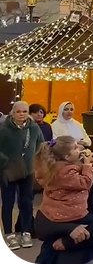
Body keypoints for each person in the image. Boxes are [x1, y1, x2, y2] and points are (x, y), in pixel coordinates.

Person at [39, 148, 93, 264]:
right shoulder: (64, 188)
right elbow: (40, 225)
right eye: (92, 156)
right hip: (58, 252)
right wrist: (70, 229)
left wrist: (68, 241)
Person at [32, 136, 93, 264]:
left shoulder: (53, 167)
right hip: (69, 213)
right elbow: (85, 182)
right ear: (67, 157)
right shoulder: (66, 171)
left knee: (48, 248)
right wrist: (87, 166)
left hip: (51, 211)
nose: (79, 149)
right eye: (75, 148)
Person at [0, 100, 43, 250]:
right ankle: (8, 234)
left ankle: (26, 231)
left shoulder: (34, 128)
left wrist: (37, 162)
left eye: (24, 111)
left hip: (28, 171)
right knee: (8, 203)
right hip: (8, 171)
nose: (21, 114)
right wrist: (5, 161)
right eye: (18, 111)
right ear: (13, 113)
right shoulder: (4, 128)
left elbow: (41, 145)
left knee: (26, 202)